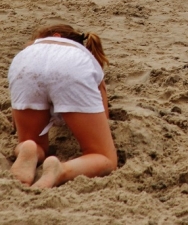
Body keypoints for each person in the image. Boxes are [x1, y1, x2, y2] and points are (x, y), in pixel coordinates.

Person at [7, 24, 117, 188]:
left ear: (56, 36)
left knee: (31, 140)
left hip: (23, 65)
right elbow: (103, 116)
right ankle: (62, 170)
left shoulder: (29, 51)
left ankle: (28, 149)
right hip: (72, 68)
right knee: (104, 156)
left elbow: (15, 124)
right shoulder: (84, 57)